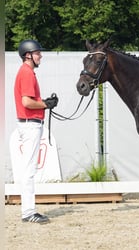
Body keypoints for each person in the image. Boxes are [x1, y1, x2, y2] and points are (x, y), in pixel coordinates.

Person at [14, 39, 58, 224]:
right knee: (29, 170)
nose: (41, 56)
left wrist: (44, 103)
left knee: (29, 168)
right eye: (38, 53)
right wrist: (45, 105)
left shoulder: (27, 72)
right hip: (30, 124)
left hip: (31, 123)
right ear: (28, 55)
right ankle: (28, 211)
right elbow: (27, 102)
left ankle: (28, 210)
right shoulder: (26, 73)